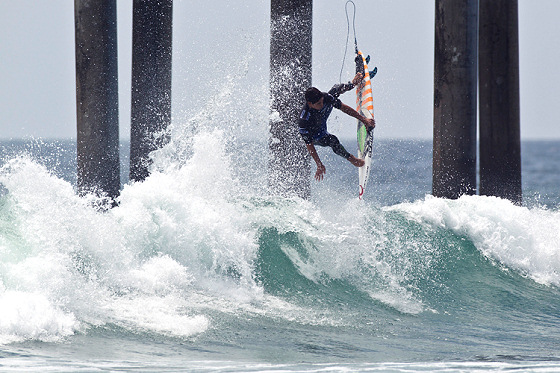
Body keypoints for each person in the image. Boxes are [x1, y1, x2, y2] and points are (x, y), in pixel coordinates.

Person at [298, 73, 376, 181]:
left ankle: (353, 83)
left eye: (322, 101)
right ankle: (352, 159)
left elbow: (344, 108)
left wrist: (364, 120)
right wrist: (319, 164)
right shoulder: (304, 120)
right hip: (317, 135)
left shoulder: (325, 98)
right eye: (318, 104)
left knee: (335, 90)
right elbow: (309, 145)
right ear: (310, 104)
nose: (321, 105)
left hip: (323, 117)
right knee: (332, 140)